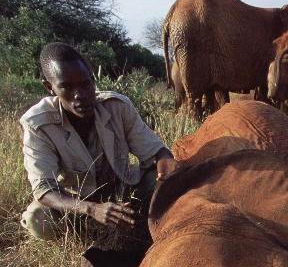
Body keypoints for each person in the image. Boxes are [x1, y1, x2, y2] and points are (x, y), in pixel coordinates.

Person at [20, 42, 179, 242]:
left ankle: (145, 223)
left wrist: (165, 160)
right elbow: (44, 189)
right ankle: (86, 236)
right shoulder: (38, 124)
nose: (80, 95)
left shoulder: (117, 107)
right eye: (67, 87)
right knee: (37, 218)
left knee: (171, 184)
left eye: (86, 85)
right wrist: (92, 210)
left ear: (93, 80)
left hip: (124, 189)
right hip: (76, 201)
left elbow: (154, 151)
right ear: (49, 87)